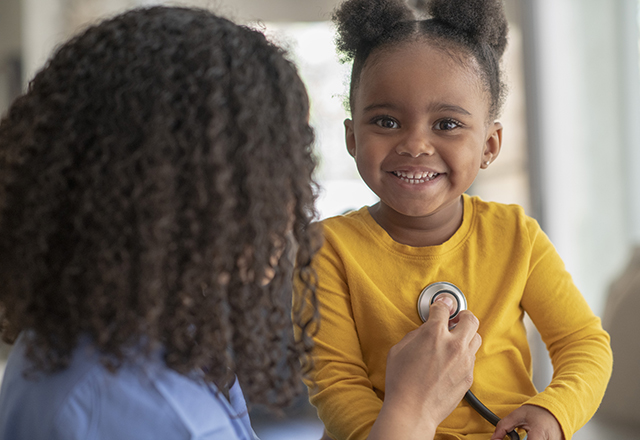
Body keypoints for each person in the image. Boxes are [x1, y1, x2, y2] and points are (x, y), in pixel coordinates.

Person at [0, 5, 484, 440]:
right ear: (179, 196)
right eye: (268, 175)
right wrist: (412, 414)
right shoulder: (158, 415)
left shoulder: (82, 340)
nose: (290, 209)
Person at [298, 0, 614, 439]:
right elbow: (337, 385)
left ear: (489, 145)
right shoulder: (324, 250)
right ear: (352, 137)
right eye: (386, 121)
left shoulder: (517, 237)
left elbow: (584, 344)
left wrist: (555, 413)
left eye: (446, 124)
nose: (415, 145)